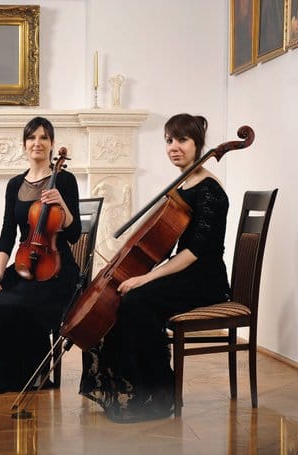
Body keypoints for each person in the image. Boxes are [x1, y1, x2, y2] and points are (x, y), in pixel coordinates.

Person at [79, 113, 231, 423]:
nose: (174, 147)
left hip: (205, 279)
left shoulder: (209, 191)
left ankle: (160, 394)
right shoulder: (183, 185)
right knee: (121, 297)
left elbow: (193, 253)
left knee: (137, 300)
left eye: (182, 140)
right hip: (185, 273)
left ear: (198, 143)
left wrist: (147, 277)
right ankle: (129, 389)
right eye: (169, 140)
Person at [0, 116, 81, 393]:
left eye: (43, 137)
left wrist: (62, 204)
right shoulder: (14, 184)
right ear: (24, 144)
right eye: (32, 137)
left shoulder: (65, 180)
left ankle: (32, 374)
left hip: (57, 268)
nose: (37, 143)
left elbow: (74, 233)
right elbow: (8, 231)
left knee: (22, 302)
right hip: (24, 263)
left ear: (52, 144)